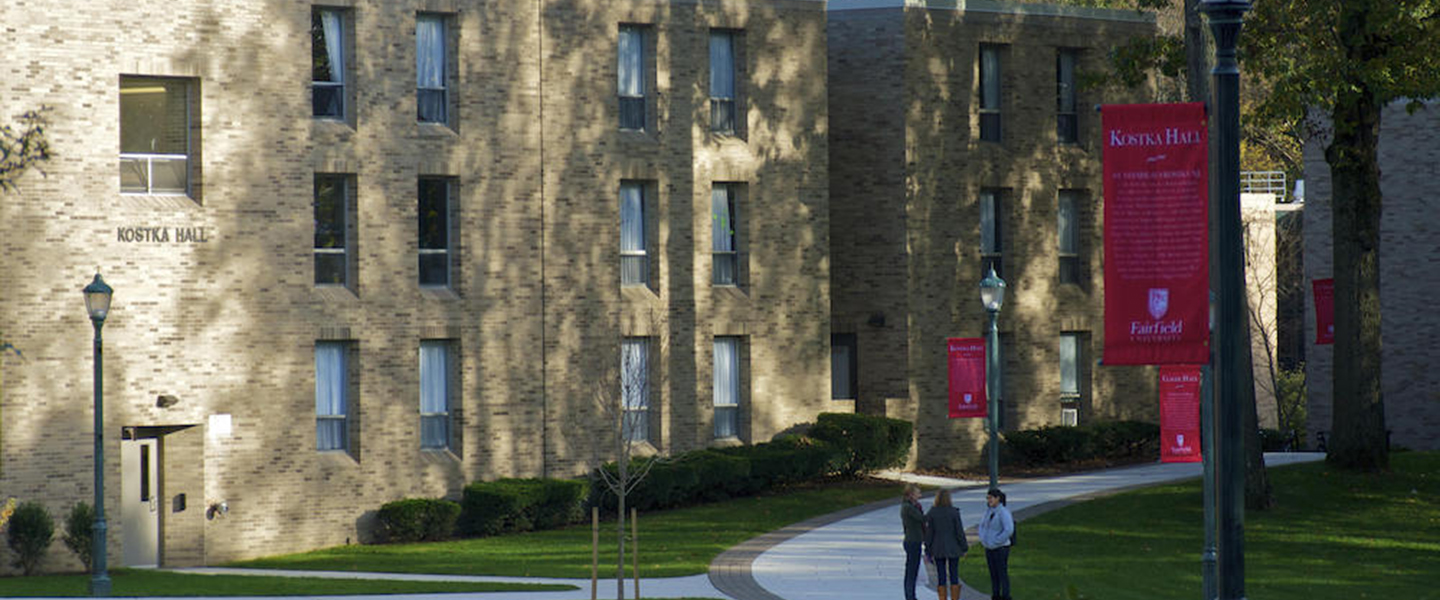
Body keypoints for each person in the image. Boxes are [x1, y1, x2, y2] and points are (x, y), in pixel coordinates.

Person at [923, 489, 968, 600]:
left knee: (941, 574)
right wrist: (964, 547)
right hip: (953, 547)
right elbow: (959, 531)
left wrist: (927, 549)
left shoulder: (932, 512)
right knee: (954, 574)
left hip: (938, 547)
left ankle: (942, 597)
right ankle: (954, 597)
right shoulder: (954, 512)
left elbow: (929, 533)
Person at [977, 488, 1014, 600]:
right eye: (987, 498)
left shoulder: (1003, 512)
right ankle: (996, 595)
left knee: (1001, 572)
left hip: (1000, 548)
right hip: (989, 548)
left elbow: (1008, 529)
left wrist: (996, 540)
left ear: (998, 498)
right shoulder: (988, 512)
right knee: (993, 574)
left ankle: (1006, 595)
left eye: (991, 498)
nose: (989, 500)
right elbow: (982, 526)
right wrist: (983, 539)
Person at [900, 484, 926, 600]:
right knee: (911, 570)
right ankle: (910, 596)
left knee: (914, 570)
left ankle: (911, 595)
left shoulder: (914, 506)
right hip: (912, 541)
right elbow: (921, 518)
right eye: (917, 493)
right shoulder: (908, 507)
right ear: (911, 494)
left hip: (916, 540)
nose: (920, 495)